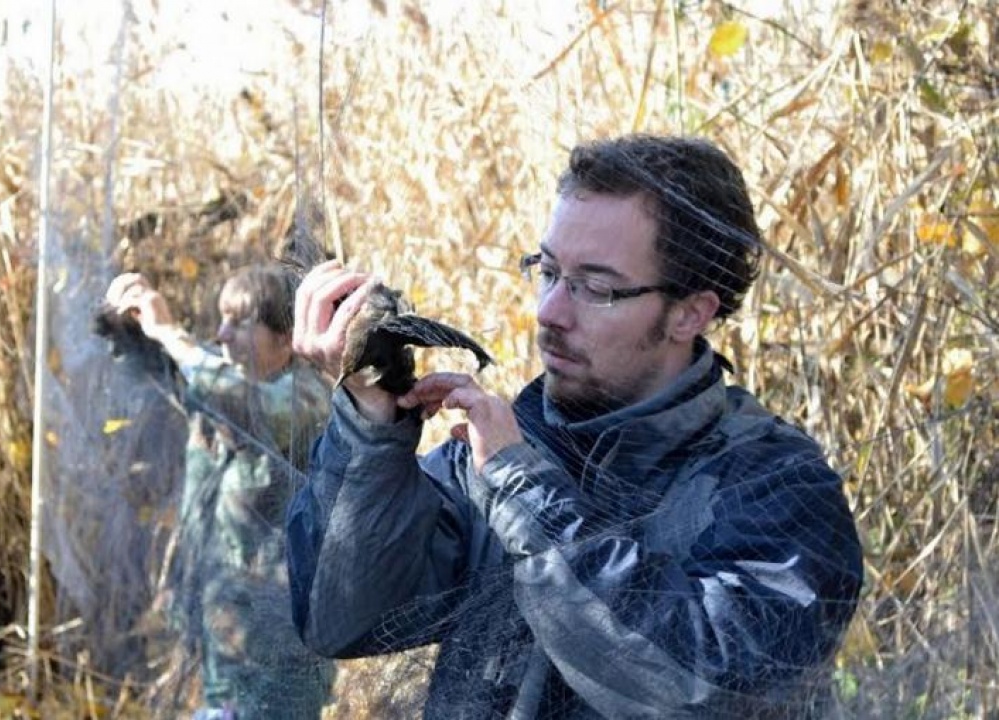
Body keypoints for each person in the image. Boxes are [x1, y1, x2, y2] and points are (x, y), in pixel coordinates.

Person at [284, 134, 864, 718]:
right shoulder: (508, 446)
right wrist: (372, 422)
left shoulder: (778, 488)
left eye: (595, 288)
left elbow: (702, 689)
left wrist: (525, 495)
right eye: (548, 271)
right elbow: (341, 620)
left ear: (691, 313)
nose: (550, 312)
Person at [104, 264, 336, 720]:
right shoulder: (222, 382)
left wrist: (169, 331)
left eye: (240, 323)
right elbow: (168, 371)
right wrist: (129, 318)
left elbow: (244, 402)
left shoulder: (306, 400)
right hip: (225, 636)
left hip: (280, 657)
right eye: (222, 320)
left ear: (286, 339)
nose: (222, 335)